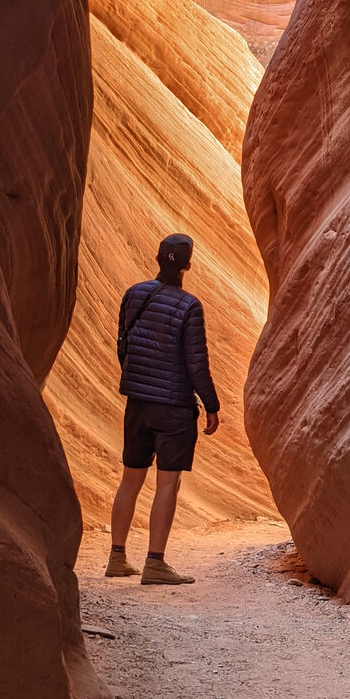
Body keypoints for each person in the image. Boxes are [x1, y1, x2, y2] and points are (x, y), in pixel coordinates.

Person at [105, 233, 220, 585]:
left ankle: (117, 557)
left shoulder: (134, 295)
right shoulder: (189, 306)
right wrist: (211, 406)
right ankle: (155, 562)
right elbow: (196, 364)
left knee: (131, 478)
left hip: (138, 403)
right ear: (188, 265)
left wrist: (137, 380)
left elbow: (122, 344)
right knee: (167, 483)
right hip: (173, 408)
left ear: (157, 258)